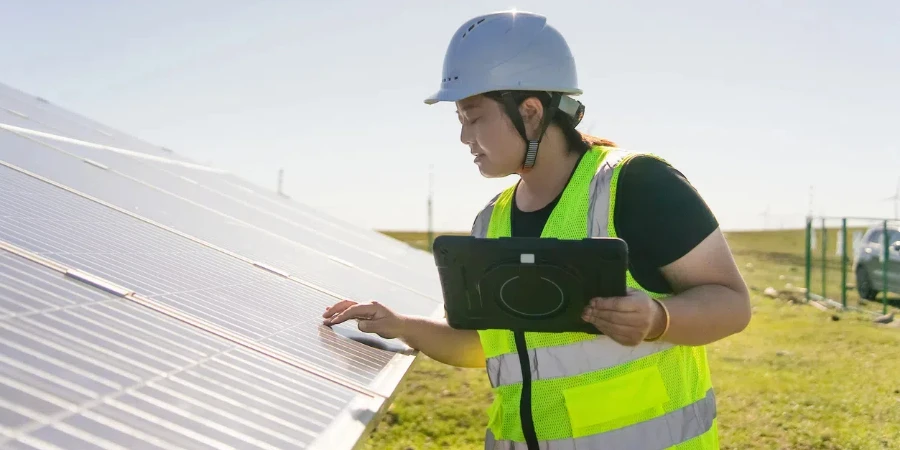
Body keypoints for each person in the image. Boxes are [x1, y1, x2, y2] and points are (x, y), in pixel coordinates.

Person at [323, 10, 751, 450]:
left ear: (529, 113)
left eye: (473, 118)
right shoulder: (491, 222)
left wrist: (660, 319)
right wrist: (400, 325)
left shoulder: (639, 185)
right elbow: (484, 347)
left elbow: (733, 305)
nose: (464, 138)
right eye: (460, 121)